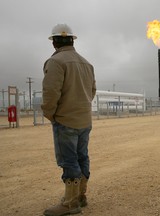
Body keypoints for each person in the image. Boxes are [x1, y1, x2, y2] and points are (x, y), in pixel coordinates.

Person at [41, 24, 96, 216]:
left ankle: (71, 203)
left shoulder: (56, 62)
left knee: (69, 160)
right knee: (82, 157)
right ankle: (81, 196)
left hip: (66, 120)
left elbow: (50, 93)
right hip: (84, 120)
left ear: (54, 42)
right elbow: (92, 91)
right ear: (73, 40)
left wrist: (51, 114)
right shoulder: (87, 64)